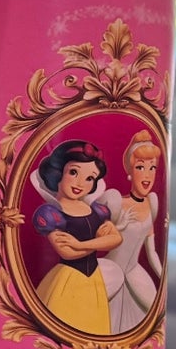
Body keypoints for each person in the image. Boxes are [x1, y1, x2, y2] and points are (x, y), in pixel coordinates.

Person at [30, 138, 122, 334]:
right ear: (58, 173)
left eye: (90, 178)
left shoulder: (97, 210)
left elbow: (116, 239)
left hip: (93, 282)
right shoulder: (51, 213)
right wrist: (98, 242)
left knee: (93, 331)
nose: (81, 183)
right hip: (67, 281)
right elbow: (66, 252)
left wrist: (80, 245)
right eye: (74, 172)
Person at [98, 130, 163, 332]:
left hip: (134, 271)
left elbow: (151, 250)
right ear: (130, 170)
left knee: (146, 317)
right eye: (140, 167)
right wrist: (119, 227)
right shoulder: (117, 202)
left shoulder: (151, 203)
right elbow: (97, 237)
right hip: (112, 270)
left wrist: (163, 277)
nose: (147, 174)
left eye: (152, 167)